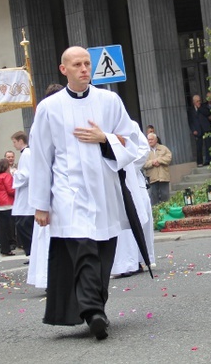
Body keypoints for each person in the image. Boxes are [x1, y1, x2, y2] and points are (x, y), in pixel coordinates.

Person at [29, 46, 138, 340]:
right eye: (77, 64)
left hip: (104, 190)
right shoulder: (49, 108)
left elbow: (134, 142)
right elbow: (40, 156)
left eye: (87, 63)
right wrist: (41, 204)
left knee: (103, 253)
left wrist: (106, 139)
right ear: (63, 69)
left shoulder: (109, 101)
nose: (84, 69)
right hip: (68, 192)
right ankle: (93, 312)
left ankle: (96, 308)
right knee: (84, 248)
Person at [27, 84, 63, 290]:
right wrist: (41, 202)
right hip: (50, 188)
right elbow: (40, 160)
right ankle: (50, 278)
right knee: (49, 236)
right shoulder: (44, 118)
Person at [111, 122, 153, 278]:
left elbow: (143, 149)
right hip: (109, 178)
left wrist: (125, 164)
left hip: (128, 178)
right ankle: (119, 263)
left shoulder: (129, 125)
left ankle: (134, 261)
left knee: (131, 218)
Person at [11, 131, 34, 259]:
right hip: (25, 194)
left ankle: (31, 253)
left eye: (14, 142)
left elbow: (26, 175)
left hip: (26, 196)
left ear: (21, 141)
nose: (14, 145)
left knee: (24, 225)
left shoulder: (26, 154)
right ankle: (30, 253)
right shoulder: (26, 153)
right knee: (22, 225)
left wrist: (14, 173)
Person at [0, 158, 15, 256]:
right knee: (10, 229)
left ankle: (4, 248)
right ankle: (10, 246)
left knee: (2, 230)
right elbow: (11, 190)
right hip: (8, 204)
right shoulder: (6, 176)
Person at [143, 132, 172, 205]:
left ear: (156, 140)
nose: (150, 141)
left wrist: (159, 160)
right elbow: (143, 163)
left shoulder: (163, 148)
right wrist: (152, 162)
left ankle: (166, 213)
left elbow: (169, 158)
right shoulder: (145, 150)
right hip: (152, 178)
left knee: (165, 197)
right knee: (153, 198)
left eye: (151, 139)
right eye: (148, 139)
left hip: (163, 177)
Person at [187, 94, 211, 167]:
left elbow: (207, 113)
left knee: (208, 145)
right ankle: (199, 162)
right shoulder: (191, 110)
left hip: (205, 128)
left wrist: (200, 108)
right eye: (197, 101)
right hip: (197, 130)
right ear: (194, 102)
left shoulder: (203, 107)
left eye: (199, 101)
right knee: (199, 146)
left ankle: (209, 160)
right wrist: (193, 130)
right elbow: (190, 121)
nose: (199, 102)